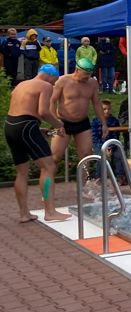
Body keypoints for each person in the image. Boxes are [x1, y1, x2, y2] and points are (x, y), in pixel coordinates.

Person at [4, 65, 70, 222]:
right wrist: (58, 125)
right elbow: (43, 111)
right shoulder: (45, 85)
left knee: (21, 172)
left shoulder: (21, 85)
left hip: (11, 126)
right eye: (54, 81)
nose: (54, 85)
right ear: (50, 76)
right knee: (49, 167)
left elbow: (21, 112)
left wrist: (37, 129)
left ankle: (24, 214)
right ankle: (50, 212)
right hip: (26, 126)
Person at [49, 57, 107, 175]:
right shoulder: (62, 81)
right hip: (62, 122)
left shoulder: (92, 83)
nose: (87, 77)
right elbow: (51, 101)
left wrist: (104, 123)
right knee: (55, 157)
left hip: (82, 123)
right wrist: (55, 123)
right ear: (77, 70)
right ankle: (47, 189)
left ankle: (83, 189)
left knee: (86, 157)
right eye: (85, 74)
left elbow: (96, 103)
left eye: (90, 74)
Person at [91, 99, 121, 179]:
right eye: (104, 109)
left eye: (108, 109)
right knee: (100, 156)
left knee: (119, 154)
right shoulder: (95, 121)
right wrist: (104, 147)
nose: (107, 111)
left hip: (112, 144)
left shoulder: (114, 121)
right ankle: (99, 177)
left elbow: (116, 135)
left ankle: (121, 176)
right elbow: (94, 137)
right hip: (99, 144)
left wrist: (111, 147)